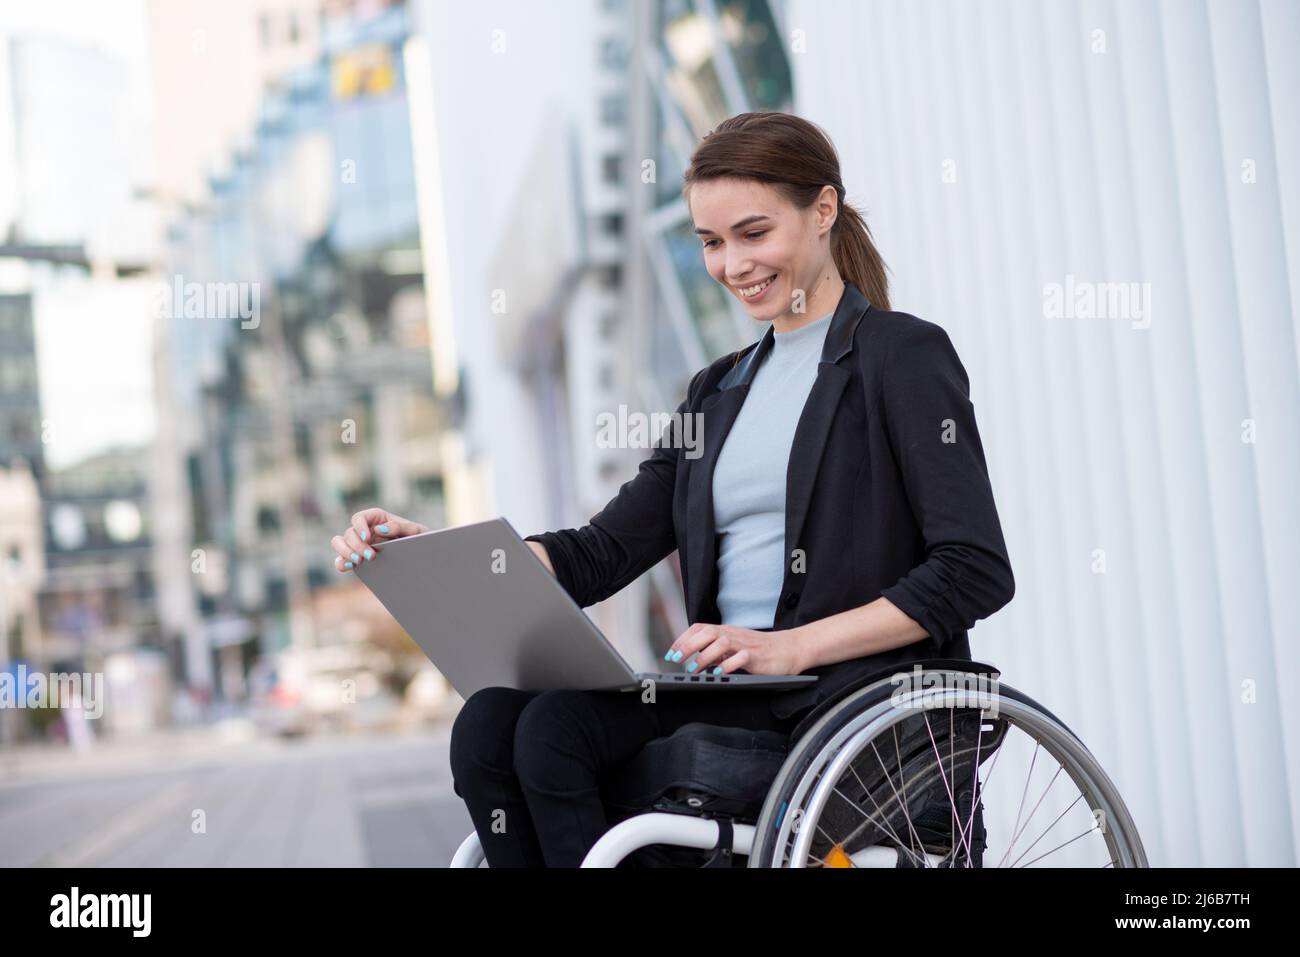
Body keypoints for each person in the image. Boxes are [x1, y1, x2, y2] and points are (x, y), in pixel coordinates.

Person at [328, 111, 1015, 867]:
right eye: (711, 243)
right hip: (741, 702)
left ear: (822, 211)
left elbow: (973, 568)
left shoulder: (901, 356)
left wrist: (790, 647)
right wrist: (447, 559)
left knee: (552, 733)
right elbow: (601, 551)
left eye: (754, 234)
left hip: (850, 708)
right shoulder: (717, 391)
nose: (732, 265)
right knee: (490, 724)